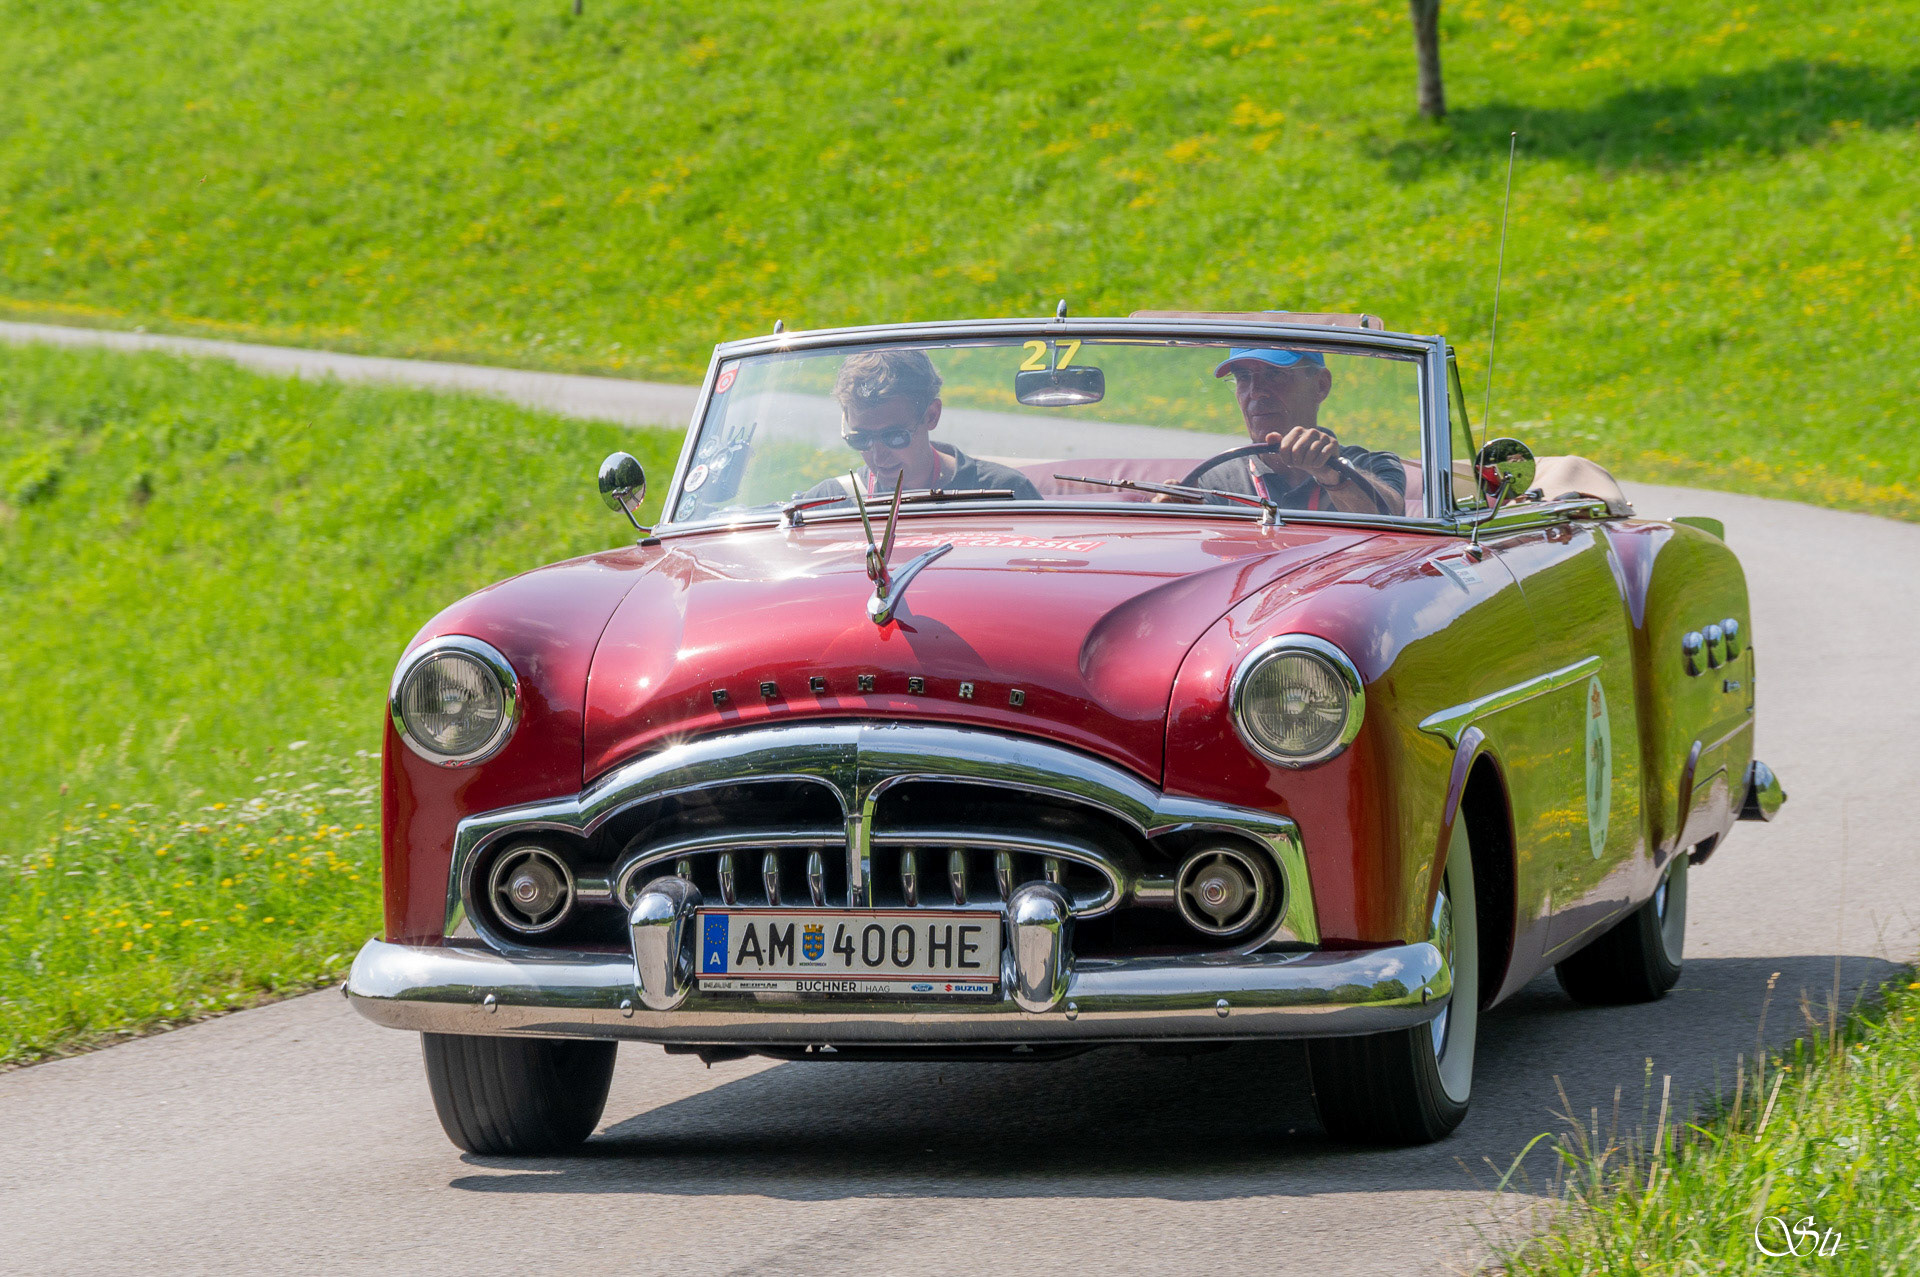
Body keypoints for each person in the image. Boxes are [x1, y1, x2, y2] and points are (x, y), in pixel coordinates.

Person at [799, 349, 1041, 505]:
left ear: (932, 415)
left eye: (894, 436)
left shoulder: (1003, 492)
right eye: (861, 439)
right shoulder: (830, 501)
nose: (877, 455)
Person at [1182, 347, 1405, 515]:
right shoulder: (1216, 480)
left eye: (1275, 374)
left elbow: (1393, 519)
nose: (1256, 392)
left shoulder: (1373, 466)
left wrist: (1332, 474)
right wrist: (1175, 517)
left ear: (1320, 386)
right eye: (1243, 377)